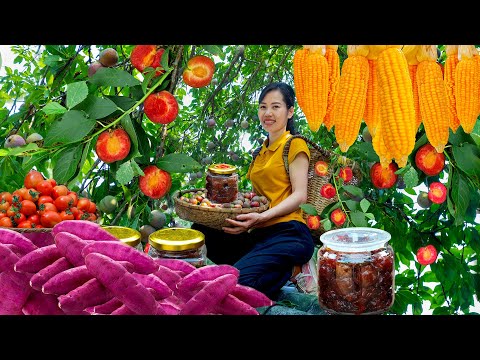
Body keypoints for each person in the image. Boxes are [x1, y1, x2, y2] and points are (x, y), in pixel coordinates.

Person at [192, 82, 315, 300]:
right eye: (262, 107)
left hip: (289, 233)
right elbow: (254, 198)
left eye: (276, 107)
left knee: (235, 285)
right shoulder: (260, 152)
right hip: (259, 235)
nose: (268, 113)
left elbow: (300, 195)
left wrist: (261, 217)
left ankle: (290, 267)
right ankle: (287, 271)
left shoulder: (295, 144)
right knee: (201, 228)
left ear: (290, 111)